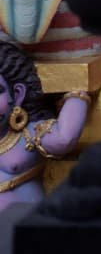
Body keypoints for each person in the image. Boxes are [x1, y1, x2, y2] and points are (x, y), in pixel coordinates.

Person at [0, 40, 88, 207]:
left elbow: (64, 140)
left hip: (21, 224)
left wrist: (77, 94)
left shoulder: (28, 134)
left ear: (17, 94)